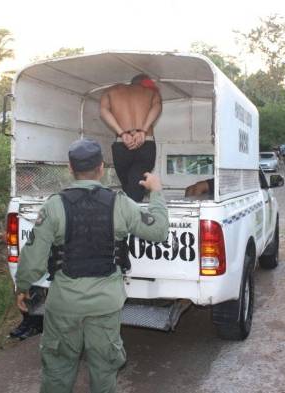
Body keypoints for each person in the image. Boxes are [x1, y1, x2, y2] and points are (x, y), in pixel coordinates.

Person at [15, 138, 169, 393]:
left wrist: (22, 287)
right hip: (105, 304)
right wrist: (156, 191)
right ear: (101, 167)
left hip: (64, 304)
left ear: (69, 167)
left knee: (57, 371)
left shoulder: (54, 205)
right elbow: (159, 231)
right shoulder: (120, 203)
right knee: (104, 371)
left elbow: (34, 257)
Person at [100, 73, 162, 202]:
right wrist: (143, 131)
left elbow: (104, 111)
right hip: (146, 142)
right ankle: (133, 216)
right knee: (136, 187)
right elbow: (157, 108)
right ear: (145, 82)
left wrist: (122, 133)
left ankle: (128, 214)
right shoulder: (151, 93)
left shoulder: (111, 91)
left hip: (122, 143)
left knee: (128, 186)